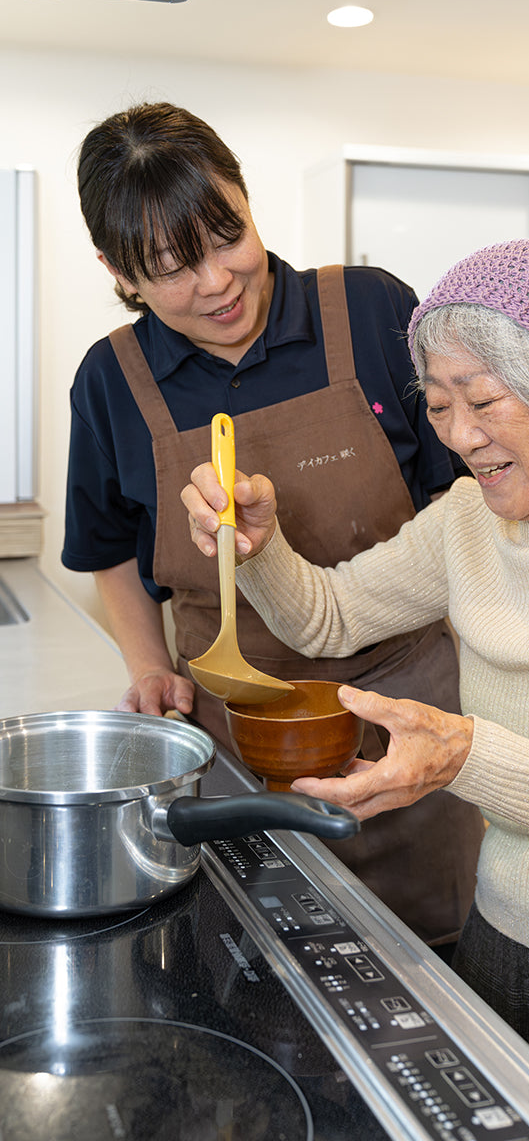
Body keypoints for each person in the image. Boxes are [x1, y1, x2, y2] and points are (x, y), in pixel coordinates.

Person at [183, 237, 529, 1141]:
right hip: (498, 940)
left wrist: (469, 756)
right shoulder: (468, 521)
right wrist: (262, 544)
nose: (460, 436)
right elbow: (329, 619)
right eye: (438, 404)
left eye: (483, 401)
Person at [61, 101, 483, 953]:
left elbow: (459, 505)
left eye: (227, 238)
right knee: (256, 960)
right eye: (172, 268)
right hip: (233, 739)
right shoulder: (112, 379)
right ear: (118, 270)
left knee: (440, 962)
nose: (216, 283)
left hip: (412, 715)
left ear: (247, 199)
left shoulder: (370, 310)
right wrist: (148, 668)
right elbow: (109, 550)